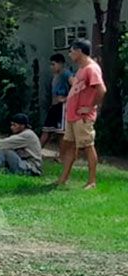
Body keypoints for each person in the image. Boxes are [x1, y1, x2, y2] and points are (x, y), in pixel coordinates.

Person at [57, 39, 105, 189]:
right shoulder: (81, 69)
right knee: (70, 146)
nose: (70, 54)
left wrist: (90, 107)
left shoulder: (92, 68)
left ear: (79, 51)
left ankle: (92, 182)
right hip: (72, 116)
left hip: (83, 117)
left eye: (71, 51)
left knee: (88, 146)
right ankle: (62, 180)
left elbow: (101, 89)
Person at [39, 53, 72, 151]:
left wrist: (67, 98)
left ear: (60, 63)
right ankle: (36, 152)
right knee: (46, 129)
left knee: (60, 132)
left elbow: (75, 85)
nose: (51, 67)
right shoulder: (56, 76)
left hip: (62, 106)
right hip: (54, 106)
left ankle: (62, 155)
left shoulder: (66, 73)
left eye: (53, 64)